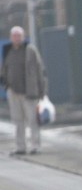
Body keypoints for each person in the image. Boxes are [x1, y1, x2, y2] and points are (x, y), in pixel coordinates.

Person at [1, 26, 46, 155]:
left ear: (24, 36)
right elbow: (4, 69)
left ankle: (35, 146)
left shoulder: (30, 50)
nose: (16, 38)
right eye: (14, 36)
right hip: (13, 92)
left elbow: (40, 70)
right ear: (10, 38)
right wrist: (6, 85)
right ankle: (20, 146)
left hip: (29, 92)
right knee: (17, 120)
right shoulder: (7, 51)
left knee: (32, 120)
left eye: (19, 35)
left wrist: (42, 90)